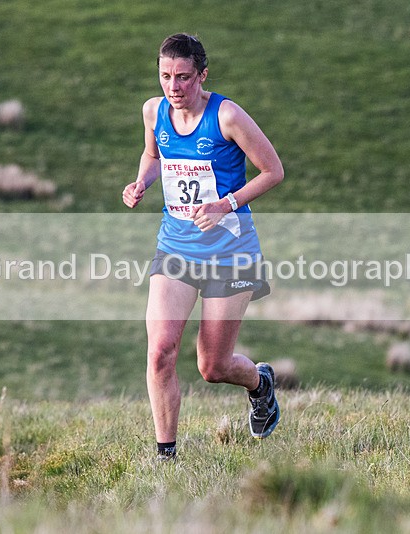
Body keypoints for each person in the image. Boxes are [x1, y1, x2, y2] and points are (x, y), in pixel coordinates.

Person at [122, 33, 284, 461]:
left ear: (202, 75)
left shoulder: (227, 115)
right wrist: (142, 181)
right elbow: (154, 156)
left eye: (183, 77)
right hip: (175, 245)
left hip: (231, 250)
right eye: (165, 76)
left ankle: (259, 383)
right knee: (160, 352)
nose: (173, 87)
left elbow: (273, 171)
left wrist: (223, 204)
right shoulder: (153, 111)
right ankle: (166, 455)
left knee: (213, 367)